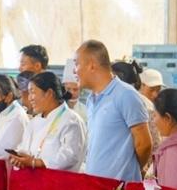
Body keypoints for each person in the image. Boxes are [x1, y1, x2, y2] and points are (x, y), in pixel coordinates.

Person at [75, 40, 152, 182]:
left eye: (77, 64)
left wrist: (128, 170)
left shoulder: (125, 95)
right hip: (96, 186)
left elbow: (144, 144)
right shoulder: (91, 99)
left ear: (91, 64)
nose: (74, 70)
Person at [13, 72, 86, 171]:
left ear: (49, 93)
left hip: (59, 183)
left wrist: (36, 162)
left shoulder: (71, 120)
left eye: (33, 92)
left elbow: (70, 156)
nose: (30, 98)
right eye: (29, 93)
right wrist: (20, 158)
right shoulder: (34, 122)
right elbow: (25, 148)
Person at [139, 68, 164, 157]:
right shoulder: (148, 107)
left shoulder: (133, 99)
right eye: (151, 90)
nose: (155, 94)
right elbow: (156, 142)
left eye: (158, 90)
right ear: (142, 85)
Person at [62, 58, 87, 123]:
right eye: (68, 89)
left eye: (75, 89)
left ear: (81, 90)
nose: (71, 92)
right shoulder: (57, 110)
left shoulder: (86, 111)